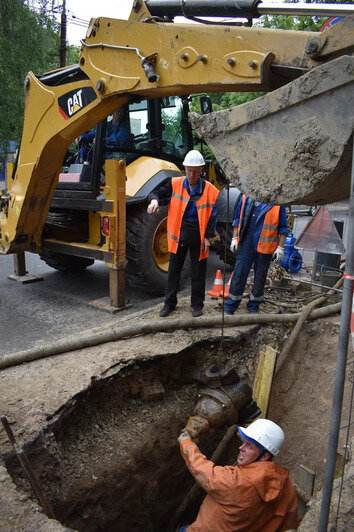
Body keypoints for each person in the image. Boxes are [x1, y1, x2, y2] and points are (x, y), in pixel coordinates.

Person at [178, 418, 299, 531]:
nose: (241, 447)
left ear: (264, 456)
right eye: (244, 442)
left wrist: (186, 442)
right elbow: (289, 525)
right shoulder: (286, 487)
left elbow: (203, 470)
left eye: (249, 446)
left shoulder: (237, 481)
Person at [147, 150, 219, 318]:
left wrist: (208, 236)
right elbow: (156, 193)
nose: (192, 175)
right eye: (188, 170)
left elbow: (213, 214)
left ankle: (197, 305)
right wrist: (154, 200)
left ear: (201, 170)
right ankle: (169, 304)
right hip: (178, 235)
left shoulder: (210, 190)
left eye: (195, 171)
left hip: (199, 235)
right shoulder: (174, 183)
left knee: (198, 272)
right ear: (184, 169)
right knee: (173, 272)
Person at [225, 194, 289, 314]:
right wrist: (234, 237)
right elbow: (238, 218)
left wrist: (280, 247)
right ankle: (231, 305)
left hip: (265, 245)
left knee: (260, 277)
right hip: (246, 241)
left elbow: (283, 227)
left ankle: (254, 306)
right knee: (239, 273)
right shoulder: (246, 197)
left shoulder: (277, 202)